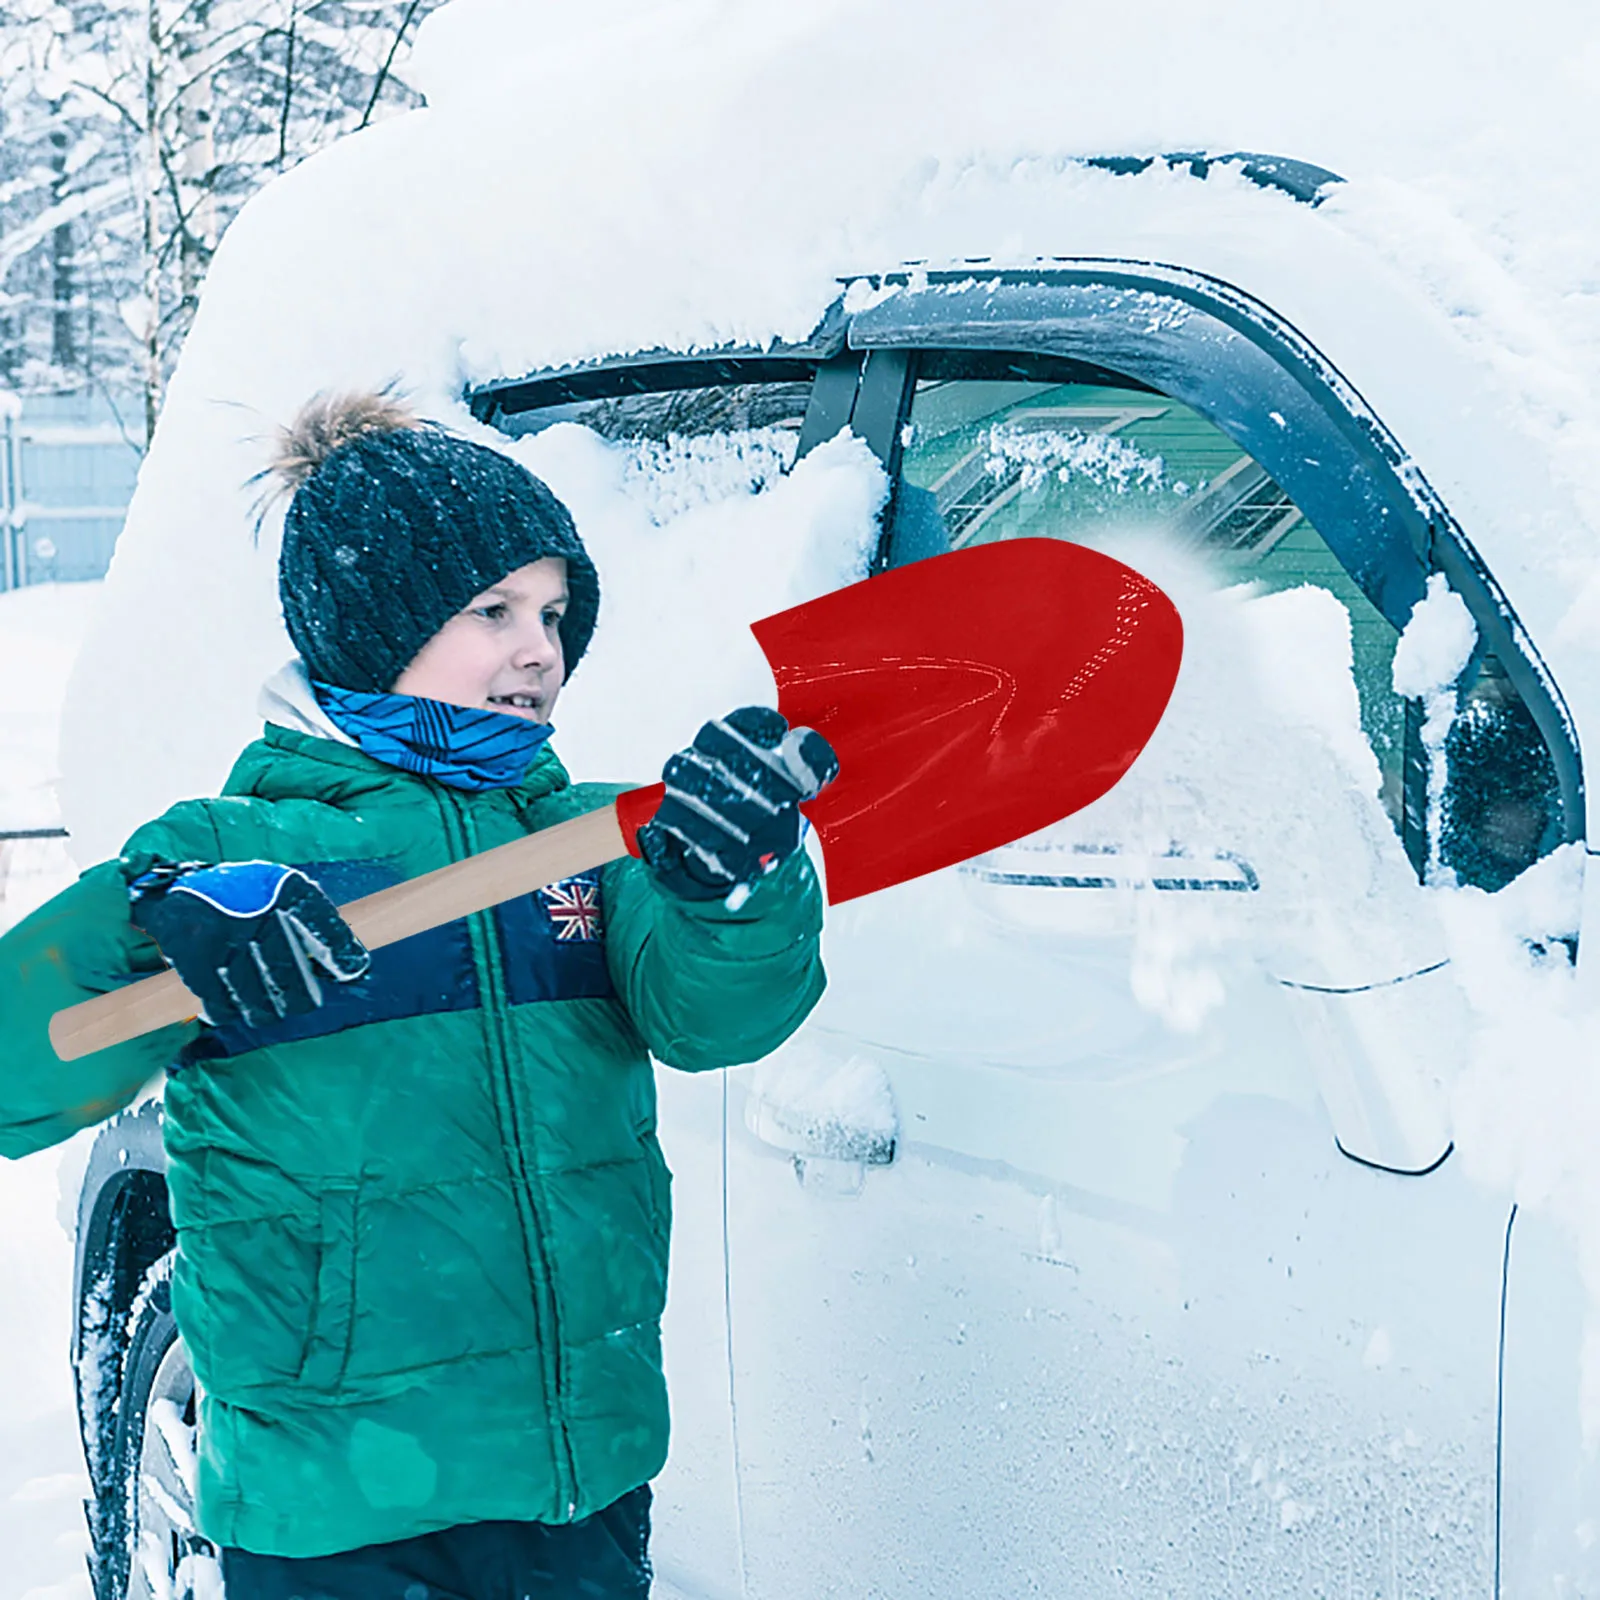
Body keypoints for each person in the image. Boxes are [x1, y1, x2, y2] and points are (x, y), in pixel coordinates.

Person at [0, 392, 837, 1598]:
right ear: (371, 627)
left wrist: (733, 888)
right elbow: (22, 1063)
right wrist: (145, 928)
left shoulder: (592, 836)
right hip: (340, 1506)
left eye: (554, 612)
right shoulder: (237, 851)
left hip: (576, 1473)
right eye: (491, 609)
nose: (537, 647)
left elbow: (716, 1017)